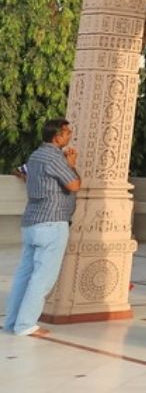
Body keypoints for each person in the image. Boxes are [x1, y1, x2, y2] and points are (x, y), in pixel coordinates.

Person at [4, 119, 81, 337]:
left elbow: (22, 172)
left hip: (32, 222)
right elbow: (74, 185)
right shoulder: (55, 157)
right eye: (67, 133)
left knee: (24, 275)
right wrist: (72, 165)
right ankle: (26, 325)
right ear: (58, 136)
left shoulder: (35, 156)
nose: (70, 136)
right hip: (52, 223)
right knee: (42, 278)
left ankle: (12, 322)